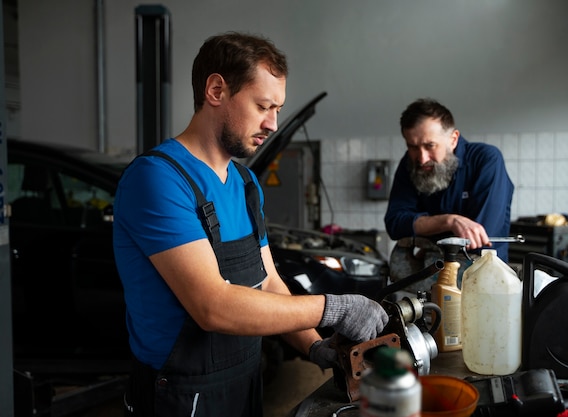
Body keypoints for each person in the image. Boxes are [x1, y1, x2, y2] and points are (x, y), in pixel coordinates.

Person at [113, 32, 388, 417]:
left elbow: (270, 283)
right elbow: (212, 306)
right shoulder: (158, 179)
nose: (273, 123)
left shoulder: (245, 184)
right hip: (178, 396)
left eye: (277, 109)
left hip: (243, 382)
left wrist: (312, 345)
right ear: (216, 90)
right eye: (263, 106)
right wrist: (334, 309)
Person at [384, 98, 514, 290]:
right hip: (427, 282)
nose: (421, 158)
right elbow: (395, 223)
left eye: (430, 146)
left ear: (453, 139)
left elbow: (480, 238)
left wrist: (422, 227)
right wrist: (449, 221)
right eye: (412, 146)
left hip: (483, 284)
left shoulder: (486, 160)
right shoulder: (409, 164)